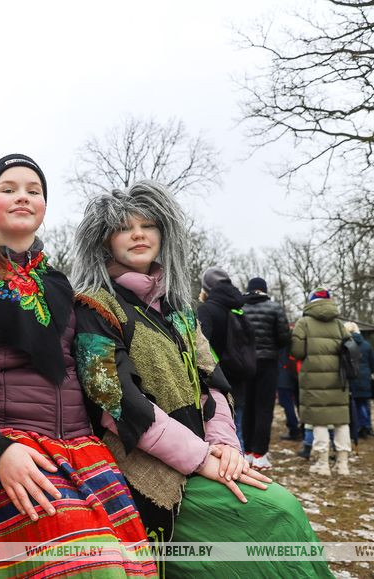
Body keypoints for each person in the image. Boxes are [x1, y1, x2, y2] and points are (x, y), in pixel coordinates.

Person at [71, 182, 331, 578]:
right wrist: (200, 457)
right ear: (105, 241)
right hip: (140, 470)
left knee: (283, 512)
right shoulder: (94, 306)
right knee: (274, 514)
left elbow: (214, 381)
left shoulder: (180, 311)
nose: (139, 234)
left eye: (149, 224)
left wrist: (224, 444)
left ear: (164, 234)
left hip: (203, 457)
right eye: (125, 227)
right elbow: (116, 403)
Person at [0, 154, 158, 577]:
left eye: (33, 190)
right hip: (7, 452)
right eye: (8, 189)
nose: (22, 197)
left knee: (134, 567)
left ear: (44, 207)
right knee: (97, 568)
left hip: (80, 453)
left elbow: (97, 379)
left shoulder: (61, 285)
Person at [291, 288, 351, 477]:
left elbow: (297, 352)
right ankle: (342, 464)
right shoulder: (340, 325)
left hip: (313, 378)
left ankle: (323, 463)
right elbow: (350, 349)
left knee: (319, 422)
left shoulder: (304, 323)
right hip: (338, 378)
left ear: (311, 302)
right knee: (341, 421)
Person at [196, 267, 253, 451]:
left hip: (217, 384)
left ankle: (233, 474)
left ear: (206, 287)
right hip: (240, 380)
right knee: (237, 432)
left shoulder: (207, 310)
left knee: (222, 437)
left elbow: (200, 347)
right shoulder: (239, 310)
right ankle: (241, 469)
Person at [241, 277, 291, 470]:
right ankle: (260, 453)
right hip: (268, 363)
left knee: (247, 408)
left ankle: (247, 452)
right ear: (264, 289)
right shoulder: (274, 308)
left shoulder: (240, 308)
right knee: (264, 408)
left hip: (245, 364)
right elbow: (284, 337)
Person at [344, 322, 374, 438]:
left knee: (353, 403)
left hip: (351, 377)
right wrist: (369, 372)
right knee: (364, 403)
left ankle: (356, 426)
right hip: (364, 377)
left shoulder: (345, 345)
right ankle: (367, 426)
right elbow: (373, 363)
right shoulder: (366, 345)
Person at [276, 346, 303, 441]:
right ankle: (303, 428)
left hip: (284, 372)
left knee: (286, 402)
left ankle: (294, 429)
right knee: (299, 402)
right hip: (297, 372)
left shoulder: (285, 335)